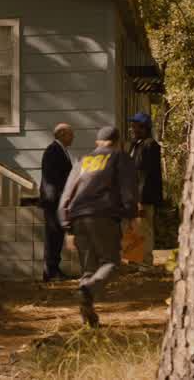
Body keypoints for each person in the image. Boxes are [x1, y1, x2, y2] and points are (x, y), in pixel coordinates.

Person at [59, 126, 137, 327]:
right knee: (111, 262)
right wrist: (131, 215)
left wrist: (67, 226)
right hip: (103, 216)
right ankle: (89, 290)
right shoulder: (120, 157)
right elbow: (128, 189)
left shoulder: (83, 161)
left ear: (97, 143)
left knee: (88, 269)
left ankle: (89, 319)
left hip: (77, 217)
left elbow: (67, 194)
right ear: (118, 141)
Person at [39, 123, 74, 282]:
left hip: (59, 201)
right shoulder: (53, 151)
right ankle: (50, 272)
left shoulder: (62, 151)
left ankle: (54, 268)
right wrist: (61, 199)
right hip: (54, 201)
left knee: (58, 237)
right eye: (70, 134)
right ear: (61, 134)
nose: (73, 137)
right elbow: (52, 179)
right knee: (53, 236)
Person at [128, 112, 163, 265]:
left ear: (143, 127)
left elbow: (146, 174)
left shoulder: (150, 145)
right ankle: (134, 259)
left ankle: (146, 261)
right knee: (133, 228)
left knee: (144, 228)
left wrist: (141, 200)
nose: (132, 128)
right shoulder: (135, 145)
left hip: (144, 196)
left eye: (135, 125)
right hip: (132, 195)